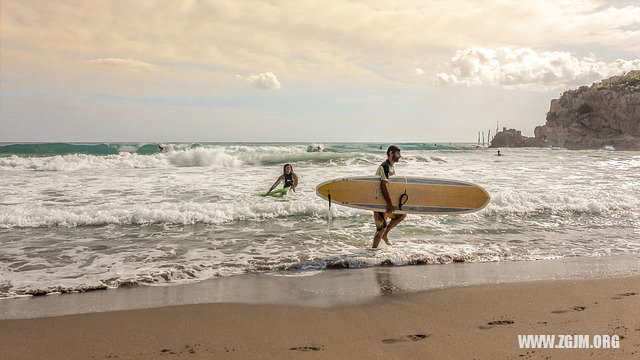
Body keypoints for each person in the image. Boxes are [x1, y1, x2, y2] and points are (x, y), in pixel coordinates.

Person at [372, 145, 406, 248]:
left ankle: (385, 234)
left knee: (401, 215)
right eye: (397, 153)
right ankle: (372, 251)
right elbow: (383, 186)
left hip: (385, 201)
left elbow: (391, 186)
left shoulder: (391, 167)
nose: (399, 156)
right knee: (381, 228)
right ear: (391, 154)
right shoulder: (385, 166)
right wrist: (390, 204)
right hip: (379, 201)